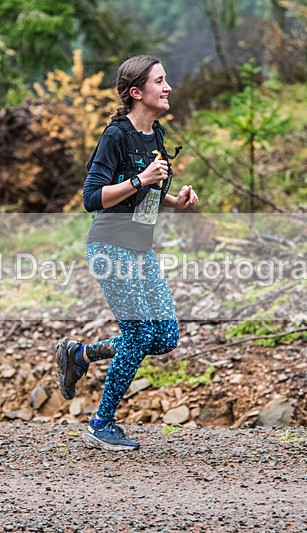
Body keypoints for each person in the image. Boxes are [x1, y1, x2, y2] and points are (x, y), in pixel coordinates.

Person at [55, 55, 198, 451]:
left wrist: (174, 200)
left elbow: (145, 192)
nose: (168, 87)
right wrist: (140, 179)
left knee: (165, 336)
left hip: (140, 250)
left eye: (166, 80)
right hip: (110, 247)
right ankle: (101, 423)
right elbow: (92, 198)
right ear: (136, 92)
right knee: (138, 333)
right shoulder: (115, 136)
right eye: (159, 81)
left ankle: (81, 354)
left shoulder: (156, 134)